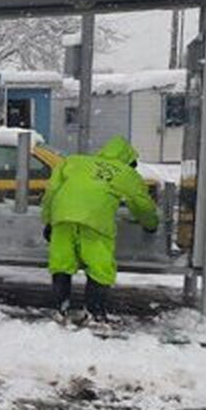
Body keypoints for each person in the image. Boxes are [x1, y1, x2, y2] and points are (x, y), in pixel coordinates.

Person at [41, 135, 159, 323]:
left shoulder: (74, 161)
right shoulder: (126, 173)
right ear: (129, 160)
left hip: (62, 217)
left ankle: (60, 310)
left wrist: (48, 220)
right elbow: (142, 205)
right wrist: (151, 225)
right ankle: (95, 314)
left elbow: (52, 192)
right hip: (95, 221)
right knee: (99, 268)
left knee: (61, 263)